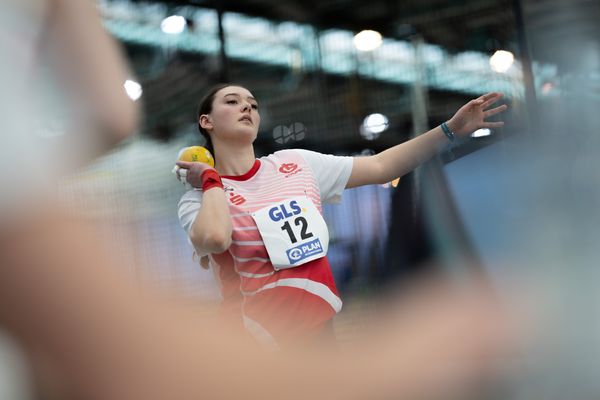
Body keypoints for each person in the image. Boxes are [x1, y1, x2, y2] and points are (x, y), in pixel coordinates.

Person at [176, 83, 508, 347]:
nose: (247, 106)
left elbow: (380, 166)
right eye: (232, 102)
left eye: (252, 103)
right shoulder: (198, 199)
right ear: (206, 122)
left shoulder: (295, 164)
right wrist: (210, 180)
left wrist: (449, 130)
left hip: (319, 332)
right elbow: (217, 238)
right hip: (255, 342)